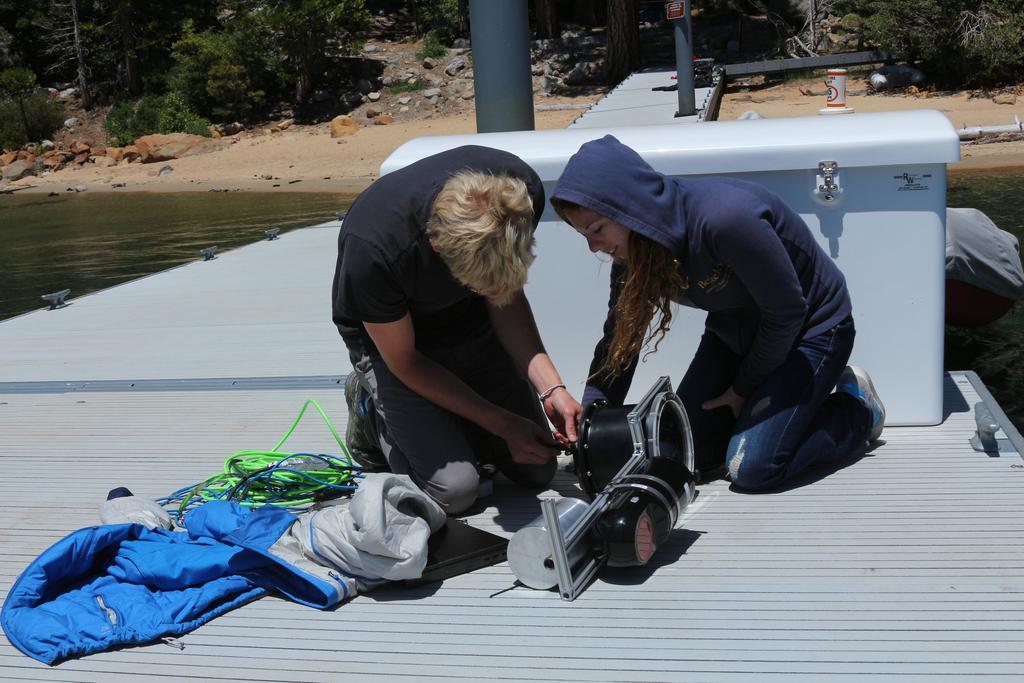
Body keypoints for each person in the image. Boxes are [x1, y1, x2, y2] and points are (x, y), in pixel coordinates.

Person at [550, 135, 885, 491]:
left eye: (598, 229)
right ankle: (774, 416)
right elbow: (620, 340)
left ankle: (856, 409)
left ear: (629, 207)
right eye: (583, 234)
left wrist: (743, 389)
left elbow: (787, 313)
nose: (593, 247)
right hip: (735, 333)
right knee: (684, 457)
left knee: (752, 467)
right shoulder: (632, 254)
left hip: (811, 331)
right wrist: (592, 417)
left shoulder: (726, 218)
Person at [332, 145, 582, 514]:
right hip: (396, 346)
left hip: (471, 323)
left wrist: (552, 388)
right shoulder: (374, 248)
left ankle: (456, 423)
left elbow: (505, 298)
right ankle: (372, 413)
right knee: (457, 491)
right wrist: (501, 424)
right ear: (436, 244)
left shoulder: (518, 192)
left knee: (537, 467)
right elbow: (406, 361)